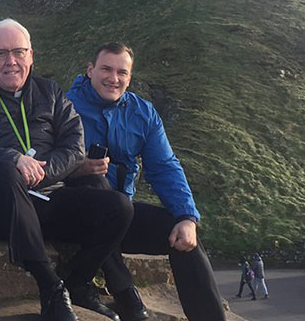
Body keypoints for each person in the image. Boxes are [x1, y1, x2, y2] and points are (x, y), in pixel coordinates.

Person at [0, 19, 133, 321]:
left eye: (18, 52)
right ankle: (50, 286)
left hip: (46, 198)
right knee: (5, 167)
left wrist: (43, 173)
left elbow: (75, 145)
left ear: (31, 55)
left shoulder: (51, 93)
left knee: (119, 208)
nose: (11, 61)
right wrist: (12, 159)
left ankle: (77, 281)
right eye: (1, 53)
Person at [66, 42, 226, 321]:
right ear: (90, 70)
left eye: (121, 72)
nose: (113, 78)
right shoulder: (64, 105)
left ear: (130, 77)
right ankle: (124, 290)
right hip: (72, 217)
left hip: (121, 214)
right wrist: (75, 168)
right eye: (105, 69)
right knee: (94, 182)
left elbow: (164, 166)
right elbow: (46, 158)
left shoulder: (143, 113)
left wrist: (187, 216)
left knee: (180, 234)